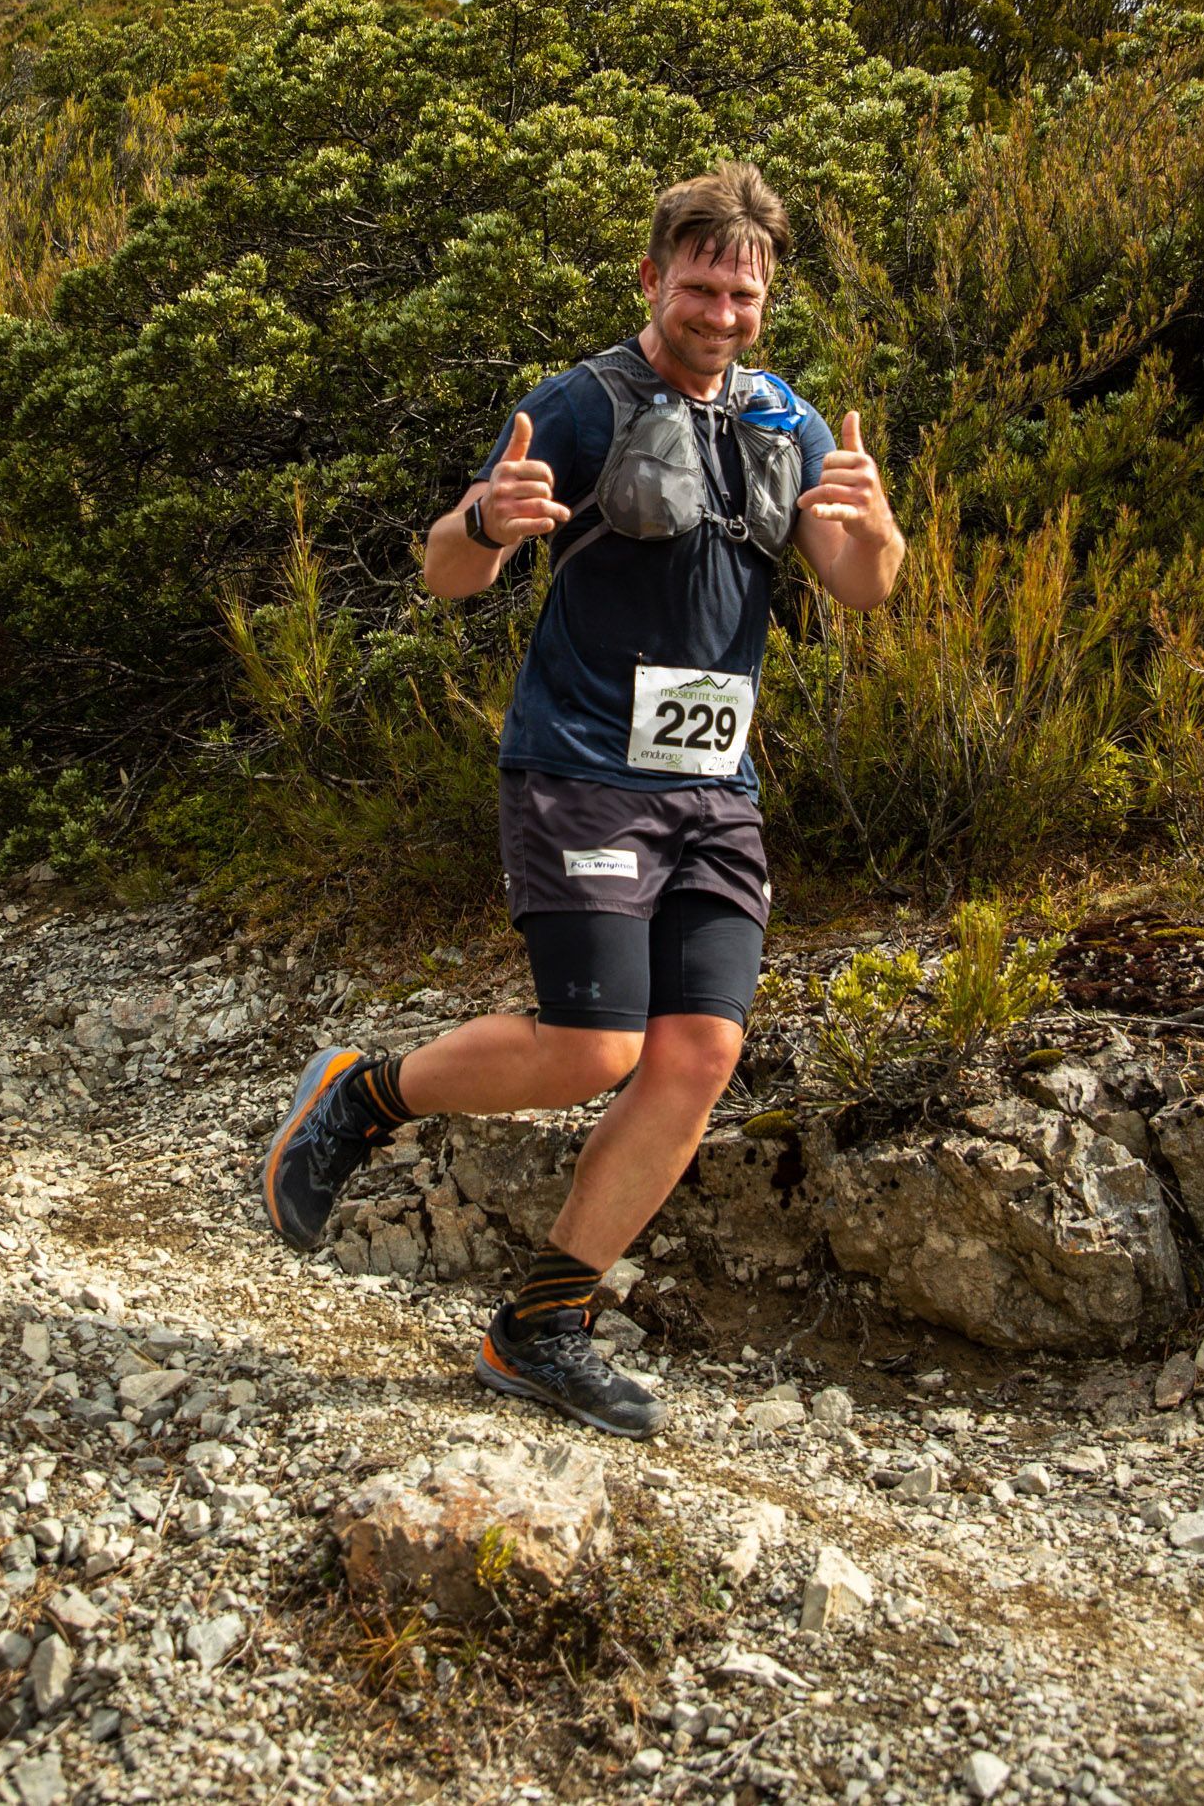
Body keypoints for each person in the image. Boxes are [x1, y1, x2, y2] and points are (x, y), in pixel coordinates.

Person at [262, 161, 905, 1437]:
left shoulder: (785, 421)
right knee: (595, 1047)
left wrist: (875, 527)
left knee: (697, 1053)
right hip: (579, 772)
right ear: (651, 280)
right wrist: (487, 522)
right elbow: (445, 572)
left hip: (715, 788)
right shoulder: (581, 402)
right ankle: (361, 1095)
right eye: (699, 285)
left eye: (743, 290)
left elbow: (859, 586)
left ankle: (541, 1327)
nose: (720, 309)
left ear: (766, 296)